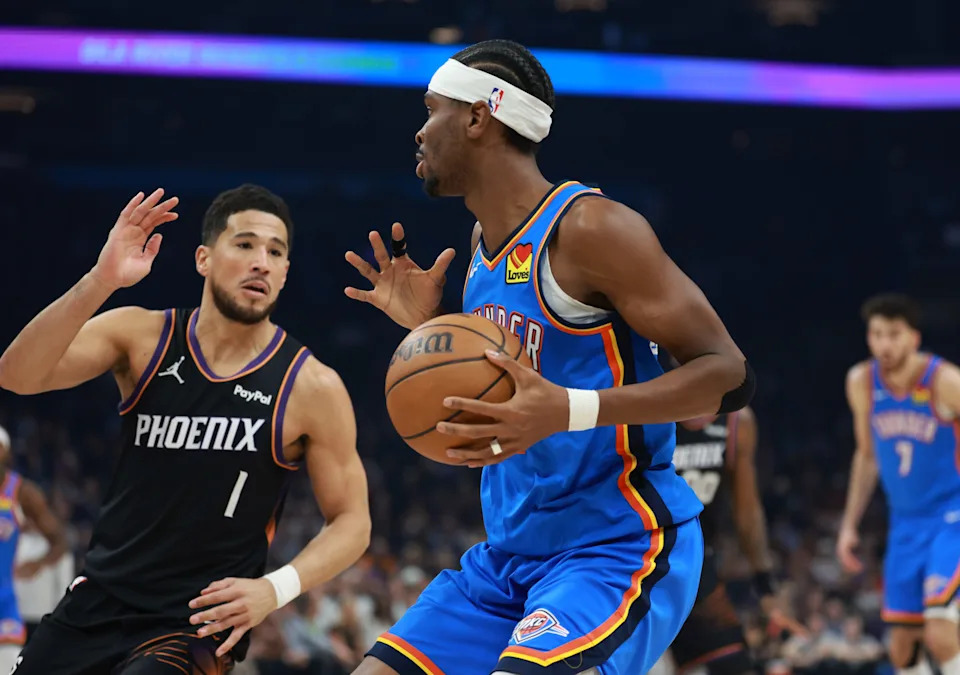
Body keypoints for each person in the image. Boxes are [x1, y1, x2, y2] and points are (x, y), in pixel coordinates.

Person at [344, 39, 753, 675]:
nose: (419, 131)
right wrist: (431, 329)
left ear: (479, 117)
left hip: (613, 547)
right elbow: (507, 389)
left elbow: (728, 377)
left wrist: (568, 410)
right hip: (507, 557)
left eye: (432, 110)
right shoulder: (483, 242)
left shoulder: (590, 230)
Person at [0, 184, 371, 673]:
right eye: (244, 244)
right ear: (204, 258)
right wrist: (100, 281)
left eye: (275, 252)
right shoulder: (142, 336)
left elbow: (353, 522)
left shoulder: (310, 385)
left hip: (195, 623)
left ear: (284, 273)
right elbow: (17, 375)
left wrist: (273, 589)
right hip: (97, 602)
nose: (261, 260)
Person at [836, 293, 960, 675]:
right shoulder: (860, 381)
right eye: (876, 334)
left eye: (894, 334)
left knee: (940, 630)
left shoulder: (945, 380)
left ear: (914, 338)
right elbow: (867, 456)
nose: (884, 344)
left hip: (951, 517)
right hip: (905, 523)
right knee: (902, 647)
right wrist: (849, 525)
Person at [667, 401, 777, 675]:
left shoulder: (735, 421)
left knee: (735, 665)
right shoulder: (638, 405)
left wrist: (764, 583)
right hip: (635, 562)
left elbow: (747, 512)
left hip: (695, 569)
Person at [0, 425, 66, 673]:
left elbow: (59, 540)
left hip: (3, 603)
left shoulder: (21, 492)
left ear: (4, 452)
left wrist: (38, 564)